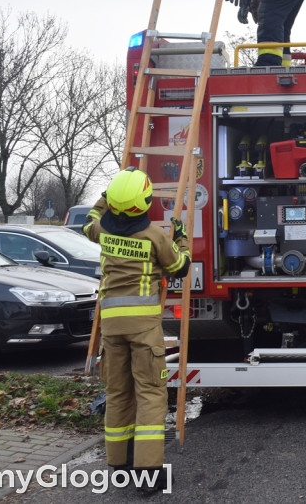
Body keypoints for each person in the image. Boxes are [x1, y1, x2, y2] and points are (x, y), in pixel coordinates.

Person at [83, 168, 191, 492]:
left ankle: (119, 466)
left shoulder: (103, 231)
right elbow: (180, 267)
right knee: (150, 394)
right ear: (143, 202)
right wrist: (182, 237)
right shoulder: (155, 236)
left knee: (118, 394)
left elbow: (88, 220)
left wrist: (105, 197)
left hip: (111, 327)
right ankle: (149, 475)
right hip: (143, 328)